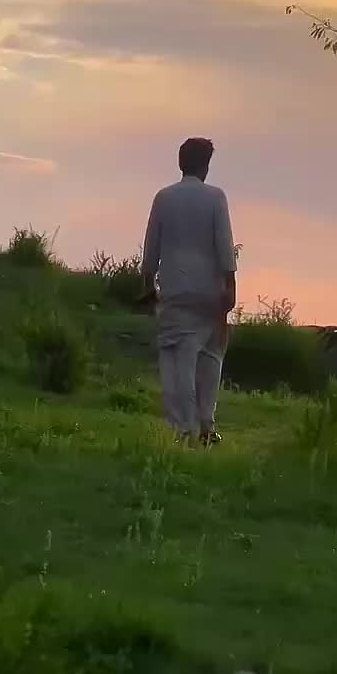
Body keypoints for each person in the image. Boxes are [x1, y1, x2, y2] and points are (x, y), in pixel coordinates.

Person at [140, 138, 237, 445]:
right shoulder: (216, 197)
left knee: (177, 359)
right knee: (211, 356)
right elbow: (225, 247)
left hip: (176, 291)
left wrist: (148, 285)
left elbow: (151, 248)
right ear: (206, 165)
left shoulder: (164, 198)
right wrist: (230, 287)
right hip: (211, 293)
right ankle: (207, 425)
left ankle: (184, 428)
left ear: (180, 163)